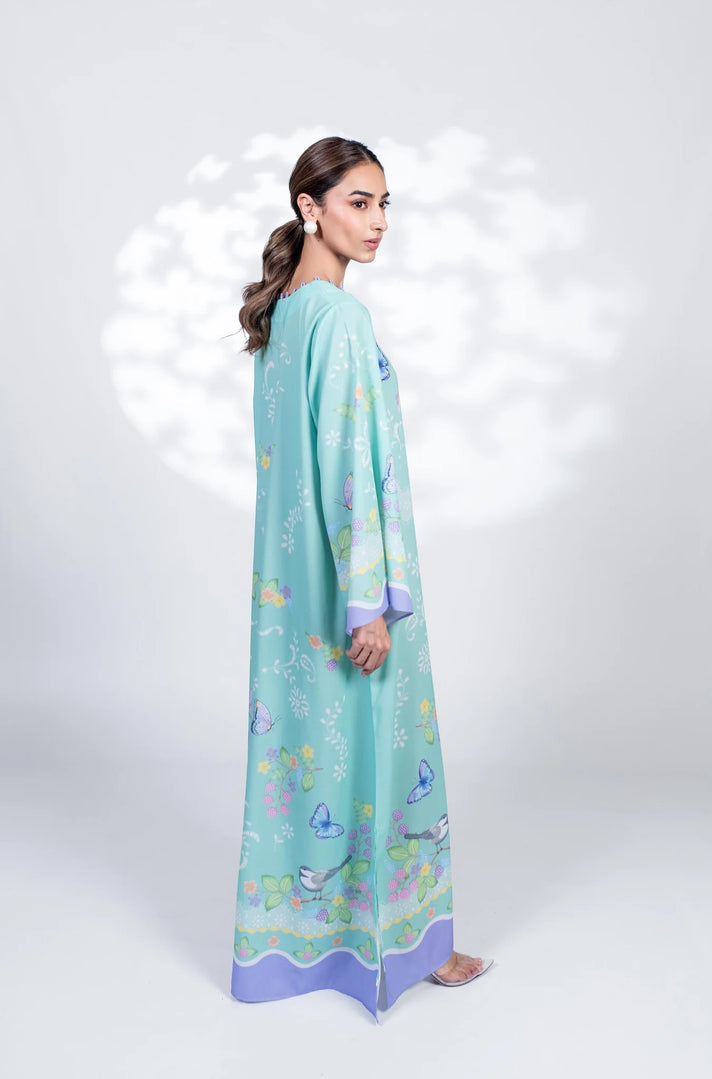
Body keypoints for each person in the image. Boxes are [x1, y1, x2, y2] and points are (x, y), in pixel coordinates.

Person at [231, 136, 494, 1020]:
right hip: (353, 590)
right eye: (359, 202)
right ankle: (416, 945)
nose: (378, 222)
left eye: (385, 204)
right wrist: (368, 606)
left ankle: (307, 948)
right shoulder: (337, 320)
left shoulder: (283, 318)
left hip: (291, 594)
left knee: (313, 760)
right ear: (309, 208)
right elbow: (346, 465)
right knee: (382, 752)